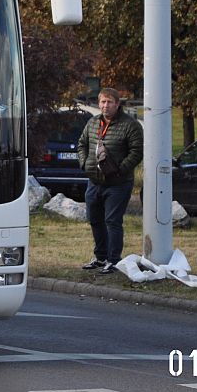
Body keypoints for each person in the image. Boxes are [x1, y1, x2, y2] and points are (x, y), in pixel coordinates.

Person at [76, 87, 143, 274]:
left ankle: (113, 260)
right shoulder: (92, 122)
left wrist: (120, 170)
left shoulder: (130, 125)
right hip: (94, 182)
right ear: (99, 103)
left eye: (110, 102)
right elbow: (82, 144)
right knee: (94, 219)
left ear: (117, 104)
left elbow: (137, 152)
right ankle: (100, 257)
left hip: (118, 184)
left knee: (112, 221)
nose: (106, 106)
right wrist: (84, 164)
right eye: (103, 102)